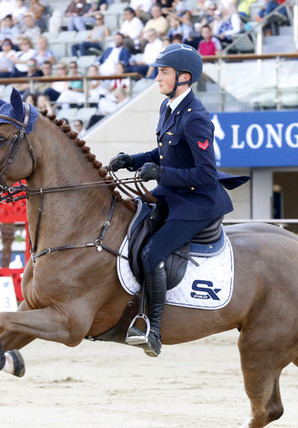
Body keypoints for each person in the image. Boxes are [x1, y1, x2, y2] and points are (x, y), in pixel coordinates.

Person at [106, 44, 248, 357]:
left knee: (150, 253)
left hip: (197, 204)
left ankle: (151, 327)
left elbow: (205, 174)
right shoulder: (169, 108)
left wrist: (161, 173)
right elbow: (164, 153)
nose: (157, 77)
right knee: (130, 225)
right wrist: (133, 160)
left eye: (164, 72)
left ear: (184, 78)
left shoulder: (196, 118)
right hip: (172, 193)